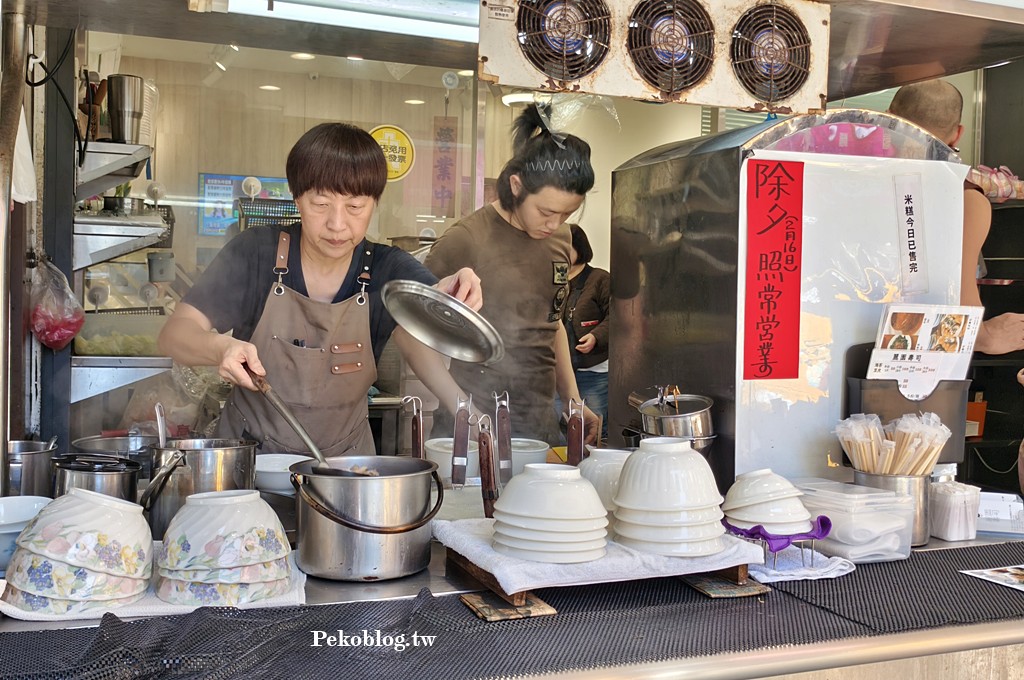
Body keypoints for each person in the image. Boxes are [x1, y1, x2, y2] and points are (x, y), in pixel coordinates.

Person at [158, 123, 482, 456]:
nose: (337, 224)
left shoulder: (388, 269)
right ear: (297, 197)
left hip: (347, 469)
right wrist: (219, 347)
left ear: (374, 203)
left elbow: (420, 326)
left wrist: (469, 414)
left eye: (355, 207)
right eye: (320, 204)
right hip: (252, 462)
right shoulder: (256, 252)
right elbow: (175, 335)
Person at [424, 104, 601, 446]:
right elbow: (409, 334)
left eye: (567, 214)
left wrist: (573, 401)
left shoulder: (560, 238)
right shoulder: (467, 239)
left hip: (539, 424)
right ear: (517, 186)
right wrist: (463, 409)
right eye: (546, 212)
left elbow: (553, 322)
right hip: (472, 426)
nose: (555, 225)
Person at [888, 80, 1024, 355]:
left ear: (888, 119)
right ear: (958, 134)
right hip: (915, 351)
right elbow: (959, 294)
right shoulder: (966, 199)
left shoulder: (853, 178)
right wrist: (985, 338)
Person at [560, 224, 611, 440]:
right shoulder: (556, 280)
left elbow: (616, 317)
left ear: (579, 248)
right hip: (562, 371)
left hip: (594, 371)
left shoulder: (599, 279)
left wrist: (595, 336)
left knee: (592, 431)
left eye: (564, 247)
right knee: (564, 432)